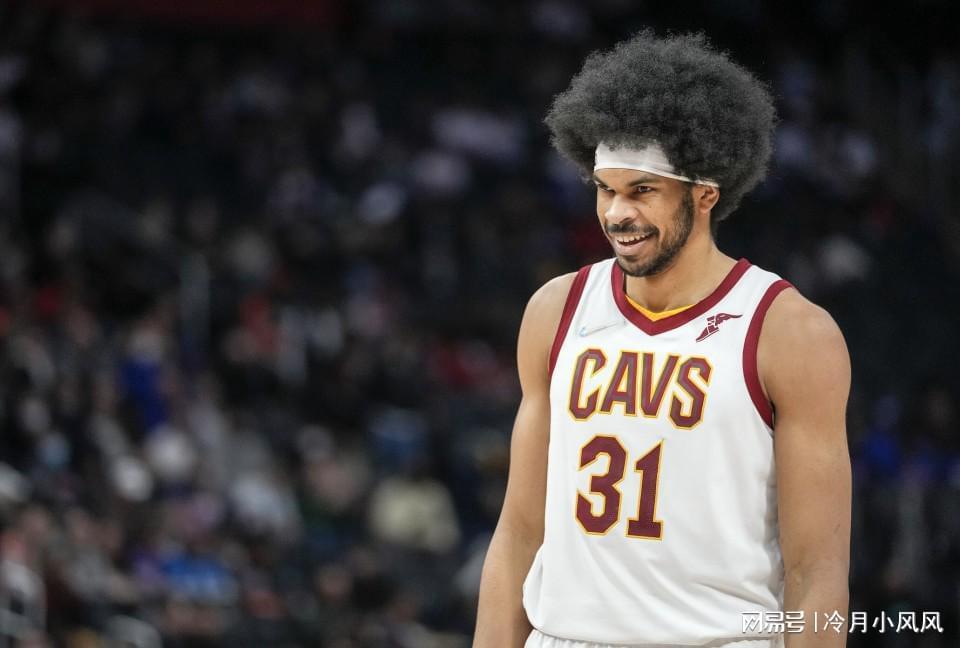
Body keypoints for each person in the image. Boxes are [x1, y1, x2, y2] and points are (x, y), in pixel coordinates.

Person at [474, 31, 851, 648]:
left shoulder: (790, 332)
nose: (616, 213)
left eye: (642, 191)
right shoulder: (556, 310)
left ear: (704, 195)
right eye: (606, 188)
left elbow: (818, 571)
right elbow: (518, 534)